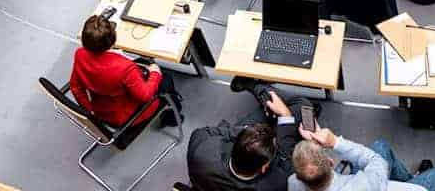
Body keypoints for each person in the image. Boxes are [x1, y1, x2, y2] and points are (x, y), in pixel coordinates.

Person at [188, 79, 316, 191]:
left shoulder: (203, 153)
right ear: (264, 167)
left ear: (234, 146)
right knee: (303, 105)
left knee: (274, 114)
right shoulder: (276, 184)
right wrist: (286, 118)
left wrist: (245, 131)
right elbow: (285, 157)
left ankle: (255, 88)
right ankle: (256, 87)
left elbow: (204, 132)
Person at [69, 15, 181, 128]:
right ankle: (172, 118)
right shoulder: (125, 68)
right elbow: (145, 96)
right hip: (127, 117)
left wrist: (90, 111)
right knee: (166, 79)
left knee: (141, 62)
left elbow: (75, 87)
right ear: (112, 42)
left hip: (101, 110)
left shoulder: (80, 54)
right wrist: (155, 74)